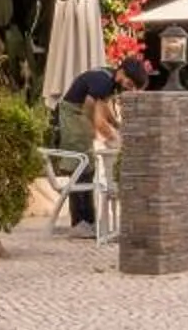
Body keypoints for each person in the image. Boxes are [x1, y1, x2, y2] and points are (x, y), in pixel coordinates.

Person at [56, 55, 154, 230]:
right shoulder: (104, 82)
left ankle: (89, 222)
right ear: (122, 73)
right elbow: (94, 115)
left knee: (88, 167)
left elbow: (102, 107)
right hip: (73, 115)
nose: (129, 90)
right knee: (80, 166)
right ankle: (80, 223)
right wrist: (114, 138)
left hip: (81, 114)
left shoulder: (109, 78)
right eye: (129, 85)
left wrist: (116, 125)